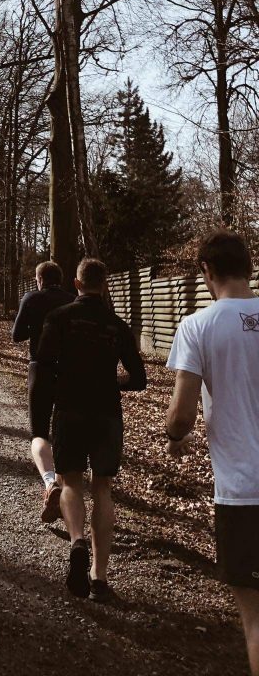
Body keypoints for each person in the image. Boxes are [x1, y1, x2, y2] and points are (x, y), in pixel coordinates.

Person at [165, 229, 259, 675]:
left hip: (244, 493)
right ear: (250, 268)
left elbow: (181, 417)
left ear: (206, 271)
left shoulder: (197, 326)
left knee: (255, 618)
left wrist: (173, 433)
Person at [35, 257, 147, 602]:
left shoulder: (58, 318)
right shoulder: (117, 325)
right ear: (105, 285)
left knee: (70, 481)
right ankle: (99, 578)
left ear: (77, 284)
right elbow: (139, 378)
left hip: (69, 409)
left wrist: (43, 412)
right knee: (102, 488)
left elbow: (43, 367)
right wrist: (114, 383)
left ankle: (77, 542)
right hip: (106, 413)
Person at [12, 260, 75, 522]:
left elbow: (16, 335)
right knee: (63, 429)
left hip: (40, 369)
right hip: (68, 372)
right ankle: (64, 486)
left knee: (39, 432)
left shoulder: (31, 298)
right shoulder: (73, 300)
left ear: (39, 279)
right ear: (60, 278)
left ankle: (50, 482)